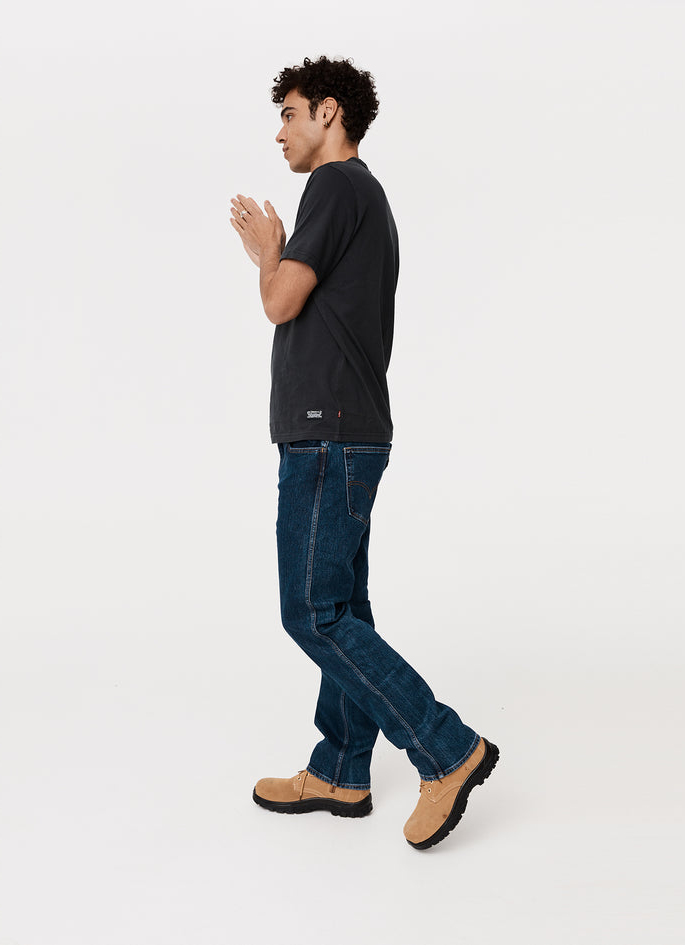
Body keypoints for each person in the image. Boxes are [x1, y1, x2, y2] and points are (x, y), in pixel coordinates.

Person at [229, 56, 498, 850]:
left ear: (329, 113)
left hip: (329, 432)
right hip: (343, 431)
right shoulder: (361, 194)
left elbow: (280, 301)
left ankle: (446, 747)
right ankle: (342, 767)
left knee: (312, 613)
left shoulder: (336, 186)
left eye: (289, 113)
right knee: (343, 607)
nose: (280, 132)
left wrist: (267, 251)